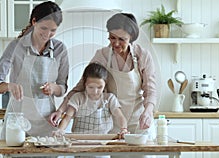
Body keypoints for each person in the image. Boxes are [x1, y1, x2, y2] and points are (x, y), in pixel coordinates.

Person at [50, 13, 159, 155]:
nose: (116, 43)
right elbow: (80, 86)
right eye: (112, 38)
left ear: (131, 37)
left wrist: (148, 111)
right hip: (115, 124)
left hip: (139, 120)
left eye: (122, 39)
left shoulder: (142, 55)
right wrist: (60, 110)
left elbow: (150, 89)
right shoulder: (102, 55)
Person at [0, 1, 69, 139]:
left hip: (46, 121)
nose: (47, 34)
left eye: (53, 30)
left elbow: (62, 88)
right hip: (17, 121)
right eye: (44, 28)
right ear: (34, 22)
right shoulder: (16, 46)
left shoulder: (60, 49)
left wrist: (54, 88)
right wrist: (9, 86)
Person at [52, 63, 129, 137]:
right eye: (91, 87)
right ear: (84, 84)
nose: (95, 92)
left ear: (105, 84)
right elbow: (67, 118)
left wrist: (124, 129)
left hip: (104, 140)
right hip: (79, 141)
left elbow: (120, 117)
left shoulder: (109, 98)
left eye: (99, 87)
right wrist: (60, 130)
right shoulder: (78, 98)